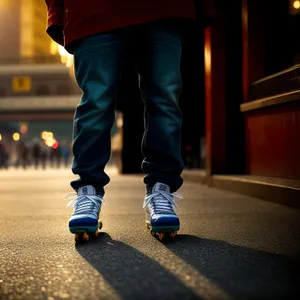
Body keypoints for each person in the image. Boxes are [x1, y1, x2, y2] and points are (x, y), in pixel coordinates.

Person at [45, 0, 214, 241]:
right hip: (92, 7)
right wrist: (57, 12)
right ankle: (88, 191)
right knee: (96, 102)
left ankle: (161, 189)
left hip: (164, 8)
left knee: (164, 99)